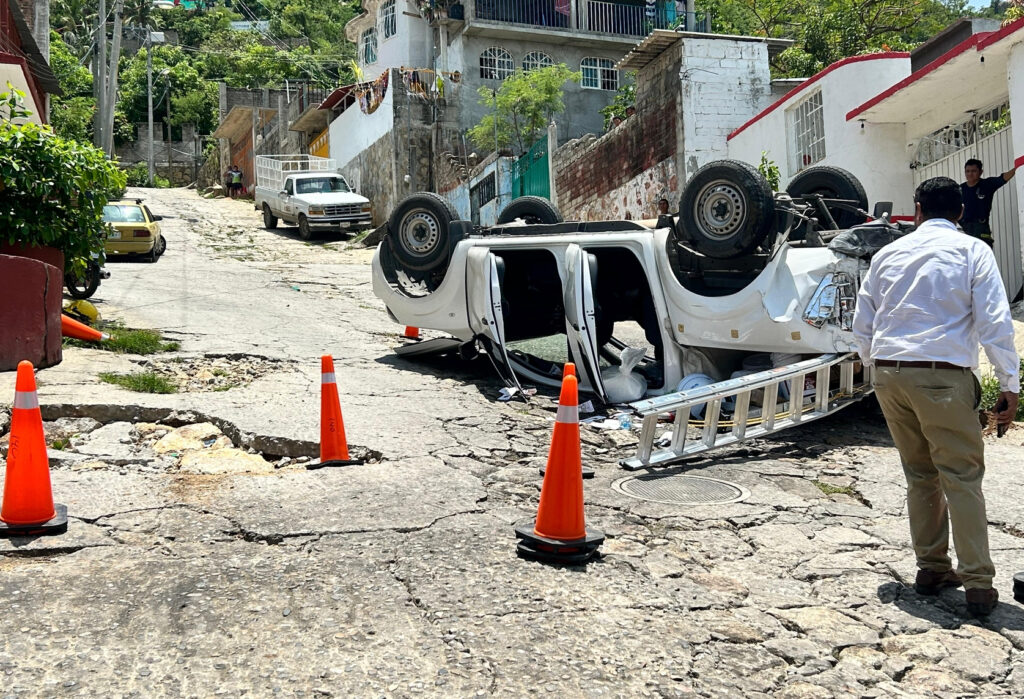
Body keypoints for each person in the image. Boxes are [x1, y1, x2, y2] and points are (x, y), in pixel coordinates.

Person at [852, 176, 1020, 617]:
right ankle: (978, 584)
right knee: (960, 475)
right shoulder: (972, 251)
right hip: (944, 375)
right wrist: (1009, 383)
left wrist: (875, 364)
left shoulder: (888, 253)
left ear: (918, 209)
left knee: (919, 474)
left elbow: (863, 320)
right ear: (960, 212)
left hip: (890, 374)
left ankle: (931, 568)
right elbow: (995, 321)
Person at [960, 158, 1018, 246]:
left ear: (981, 172)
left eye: (973, 171)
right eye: (967, 171)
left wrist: (1019, 166)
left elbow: (1003, 178)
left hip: (981, 229)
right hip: (964, 229)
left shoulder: (987, 184)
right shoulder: (960, 189)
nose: (970, 174)